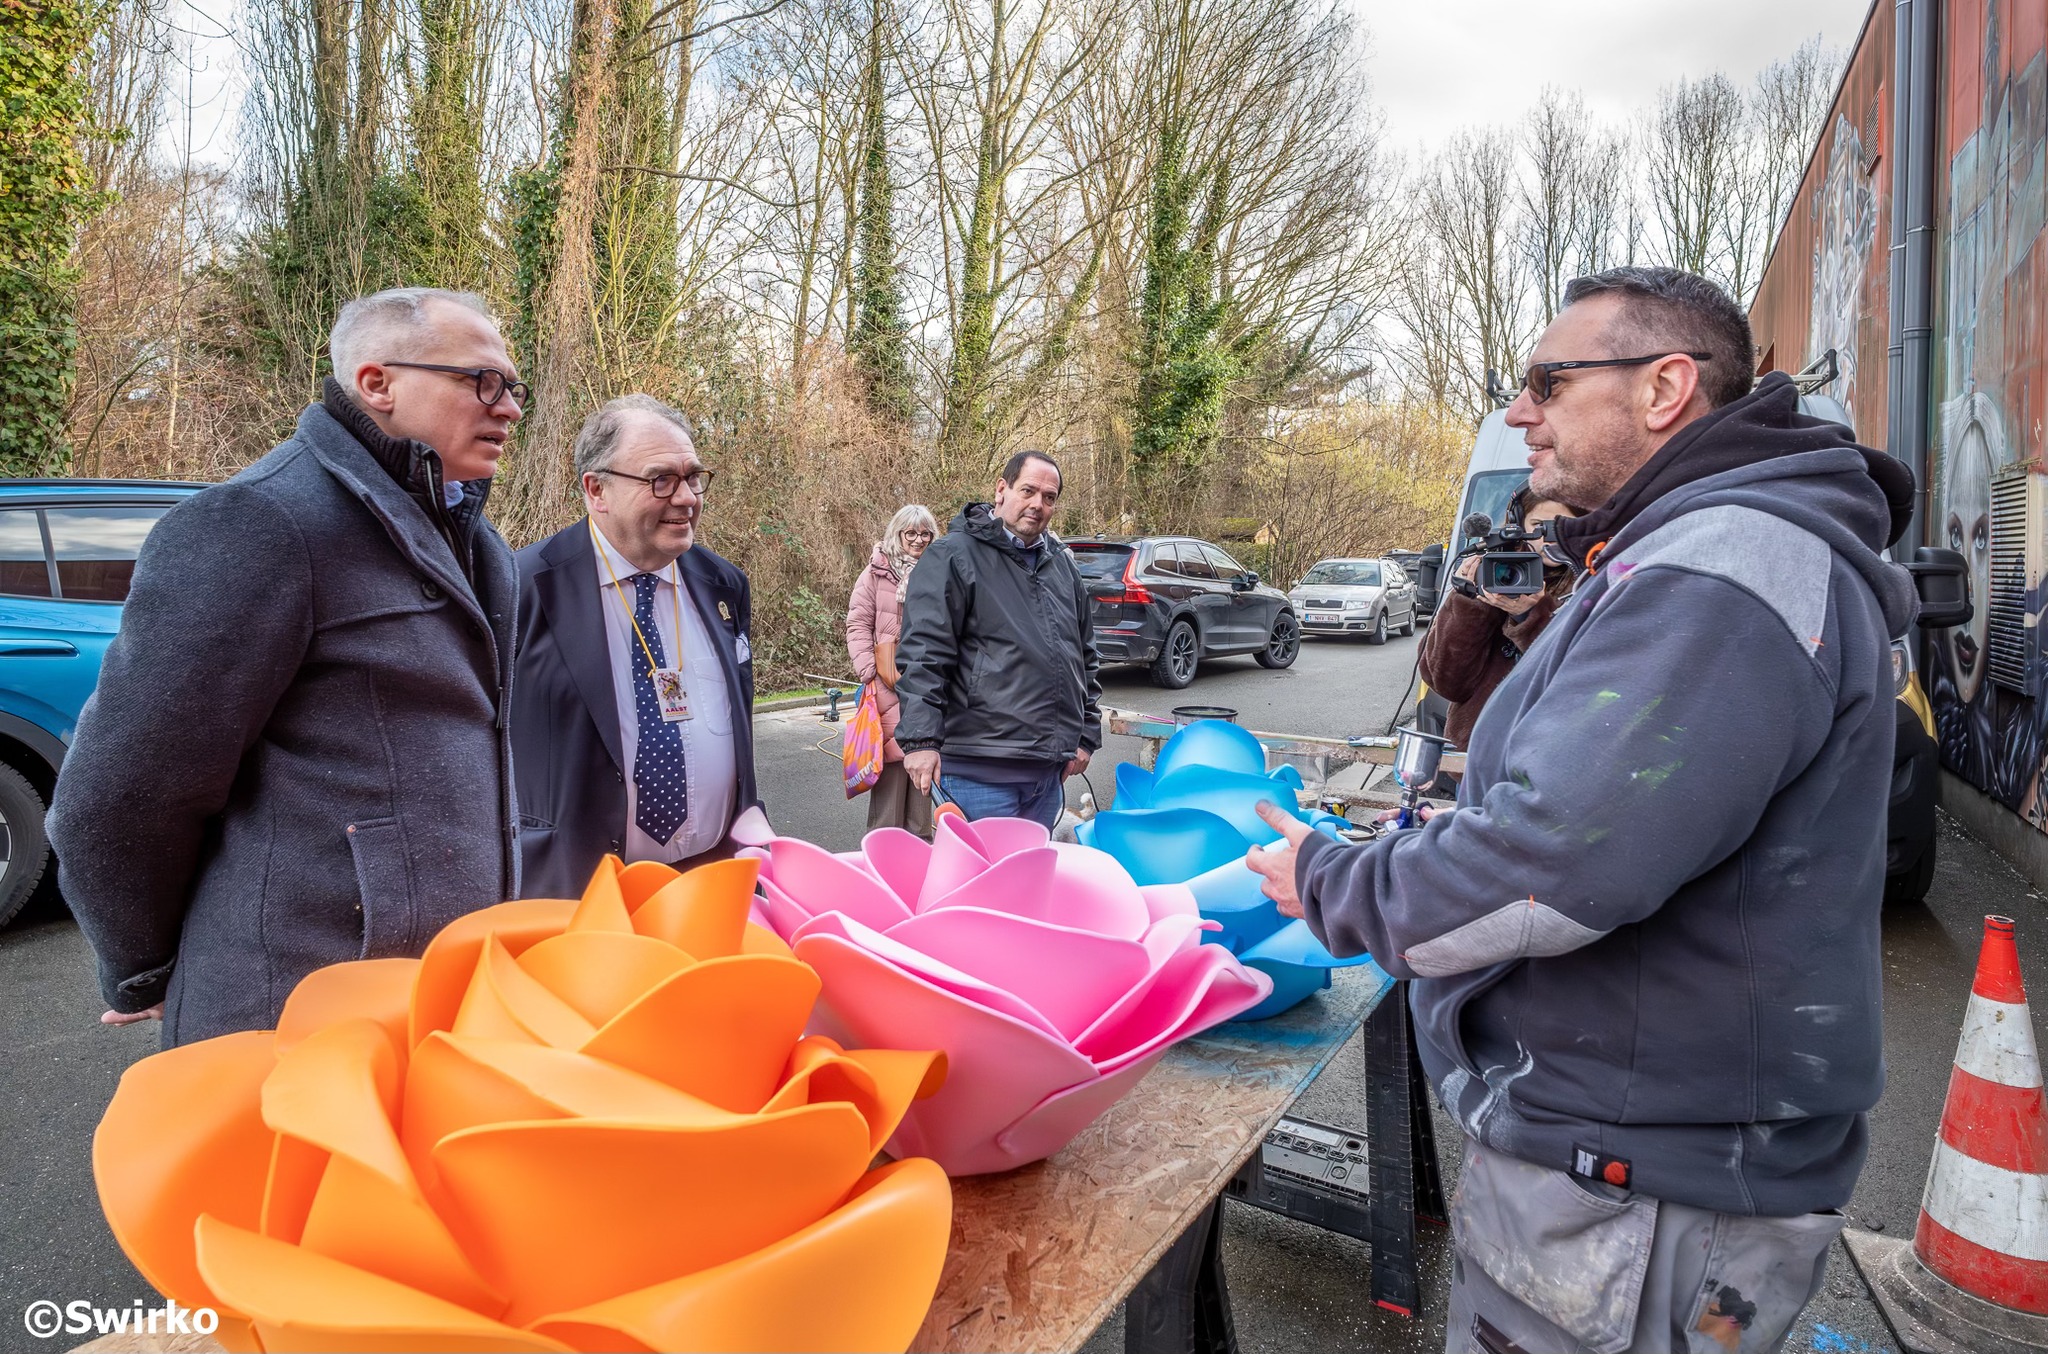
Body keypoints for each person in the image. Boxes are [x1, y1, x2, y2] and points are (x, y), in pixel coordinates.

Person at [1247, 266, 1916, 1353]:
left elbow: (1548, 861)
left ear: (1662, 388)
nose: (1520, 412)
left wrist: (1330, 882)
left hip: (1640, 1189)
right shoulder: (1693, 546)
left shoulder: (1721, 569)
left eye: (1547, 382)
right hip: (1644, 1157)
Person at [48, 287, 524, 1046]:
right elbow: (122, 793)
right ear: (377, 383)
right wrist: (145, 966)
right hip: (299, 1010)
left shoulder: (475, 538)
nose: (509, 407)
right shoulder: (261, 522)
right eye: (484, 381)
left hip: (444, 999)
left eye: (514, 387)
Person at [512, 394, 759, 898]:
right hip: (577, 889)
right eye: (661, 479)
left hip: (713, 879)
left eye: (693, 477)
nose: (687, 497)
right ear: (596, 489)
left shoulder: (724, 584)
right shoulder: (522, 587)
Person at [895, 451, 1101, 830]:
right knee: (982, 885)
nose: (1038, 504)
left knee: (1030, 884)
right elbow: (924, 654)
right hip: (978, 772)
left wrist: (1086, 734)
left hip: (1047, 774)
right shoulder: (952, 557)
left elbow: (1084, 655)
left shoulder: (1062, 565)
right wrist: (921, 741)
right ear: (1002, 490)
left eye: (1049, 497)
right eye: (1028, 491)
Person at [1418, 488, 1577, 749]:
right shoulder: (1490, 573)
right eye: (1539, 525)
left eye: (1563, 525)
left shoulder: (1595, 580)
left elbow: (1577, 678)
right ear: (1518, 523)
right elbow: (1447, 683)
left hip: (1554, 753)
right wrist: (1469, 602)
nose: (1550, 538)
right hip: (1480, 757)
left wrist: (1532, 616)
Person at [846, 504, 940, 837]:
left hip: (927, 683)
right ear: (897, 533)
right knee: (888, 779)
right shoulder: (875, 573)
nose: (918, 540)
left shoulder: (940, 571)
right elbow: (857, 623)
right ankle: (882, 858)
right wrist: (869, 670)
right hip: (885, 686)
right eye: (911, 533)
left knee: (922, 779)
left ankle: (919, 861)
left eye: (925, 533)